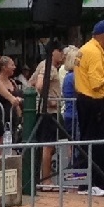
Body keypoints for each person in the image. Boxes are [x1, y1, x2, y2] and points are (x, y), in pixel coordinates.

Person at [74, 19, 104, 195]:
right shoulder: (93, 52)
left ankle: (91, 183)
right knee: (95, 144)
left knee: (89, 143)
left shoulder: (87, 49)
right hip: (93, 101)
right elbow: (96, 83)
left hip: (87, 100)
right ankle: (92, 184)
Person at [28, 44, 66, 184]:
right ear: (53, 52)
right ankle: (46, 180)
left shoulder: (43, 65)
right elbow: (38, 85)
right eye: (60, 51)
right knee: (48, 146)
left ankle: (43, 178)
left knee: (47, 145)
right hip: (49, 112)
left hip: (47, 112)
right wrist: (48, 100)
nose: (62, 54)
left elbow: (30, 83)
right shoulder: (48, 66)